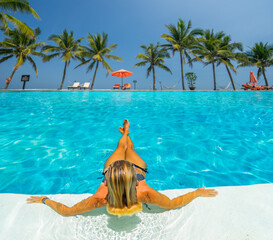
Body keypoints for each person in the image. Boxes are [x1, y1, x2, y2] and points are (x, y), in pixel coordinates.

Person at [27, 119, 218, 216]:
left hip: (115, 169)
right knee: (128, 148)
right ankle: (126, 133)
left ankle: (125, 133)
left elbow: (67, 211)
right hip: (132, 168)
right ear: (136, 182)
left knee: (122, 147)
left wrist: (45, 199)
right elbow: (173, 204)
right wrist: (196, 192)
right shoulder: (145, 194)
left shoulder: (100, 198)